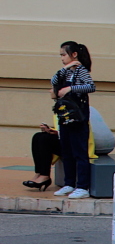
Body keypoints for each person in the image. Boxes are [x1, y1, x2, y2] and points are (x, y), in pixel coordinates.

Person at [50, 41, 95, 199]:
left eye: (64, 55)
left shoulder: (81, 71)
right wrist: (64, 69)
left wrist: (71, 88)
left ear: (74, 55)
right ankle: (69, 183)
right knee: (66, 150)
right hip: (65, 116)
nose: (62, 58)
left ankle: (82, 186)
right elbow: (53, 81)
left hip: (78, 117)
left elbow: (91, 86)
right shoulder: (65, 72)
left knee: (79, 151)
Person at [24, 116, 60, 192]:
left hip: (73, 142)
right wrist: (51, 130)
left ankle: (45, 175)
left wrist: (58, 133)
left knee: (45, 139)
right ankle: (39, 173)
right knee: (37, 136)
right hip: (63, 137)